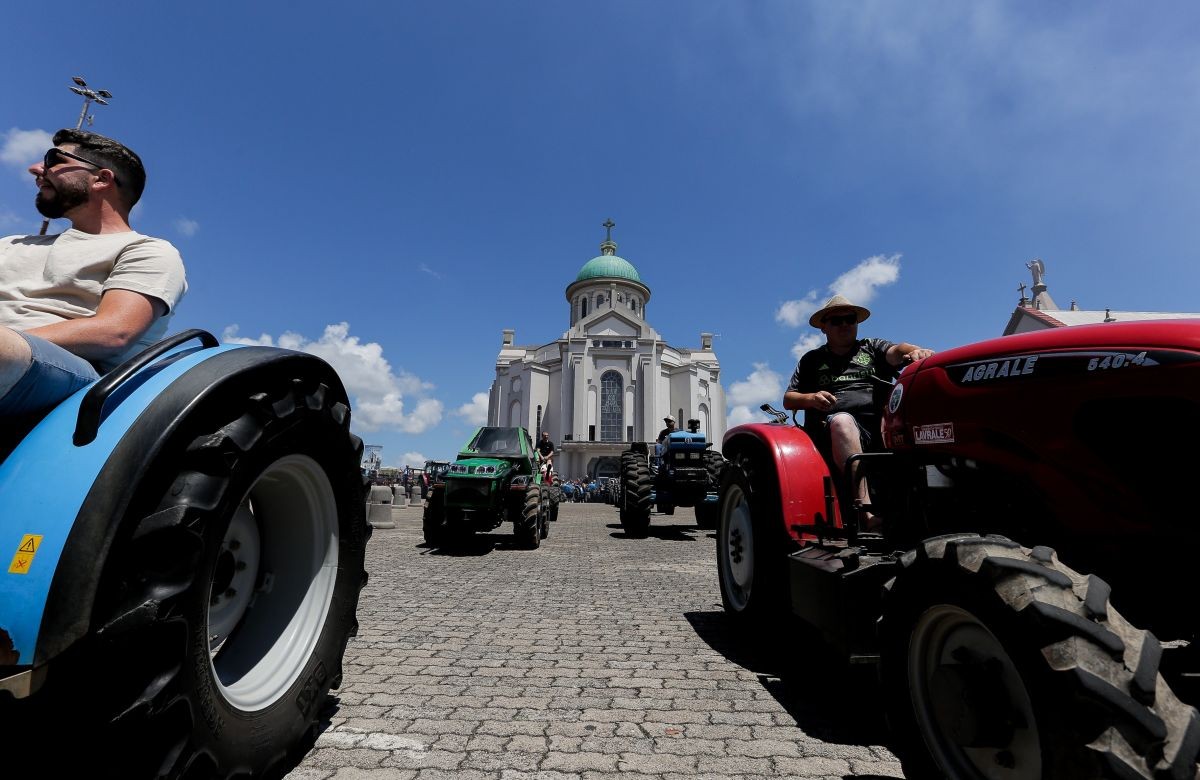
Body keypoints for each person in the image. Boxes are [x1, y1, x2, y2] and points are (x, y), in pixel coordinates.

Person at [0, 129, 187, 420]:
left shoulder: (147, 250)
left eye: (54, 160)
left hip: (76, 377)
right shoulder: (11, 245)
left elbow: (114, 331)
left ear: (101, 179)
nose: (36, 169)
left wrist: (9, 339)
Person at [783, 295, 934, 531]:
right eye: (836, 320)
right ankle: (866, 512)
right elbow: (788, 399)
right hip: (831, 429)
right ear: (824, 327)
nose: (844, 324)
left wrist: (916, 351)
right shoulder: (812, 360)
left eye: (849, 319)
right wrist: (811, 398)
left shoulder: (872, 348)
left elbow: (896, 351)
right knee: (843, 422)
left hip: (881, 425)